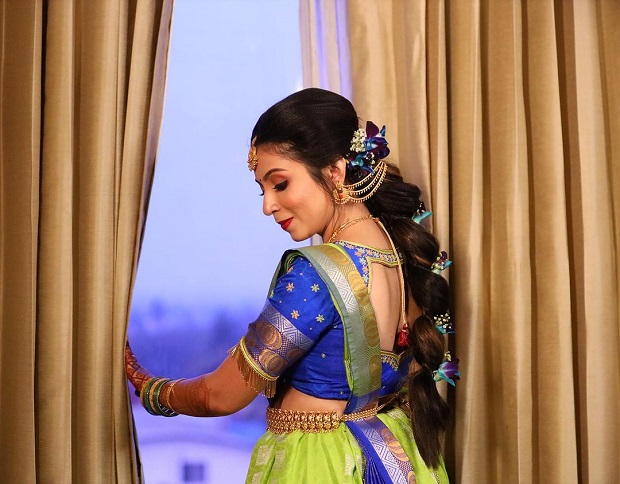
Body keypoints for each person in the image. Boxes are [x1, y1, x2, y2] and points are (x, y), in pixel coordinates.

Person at [125, 87, 459, 483]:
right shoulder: (396, 250)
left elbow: (221, 395)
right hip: (385, 453)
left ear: (335, 171)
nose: (267, 205)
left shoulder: (316, 273)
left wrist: (150, 388)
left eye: (279, 184)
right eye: (262, 189)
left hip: (319, 464)